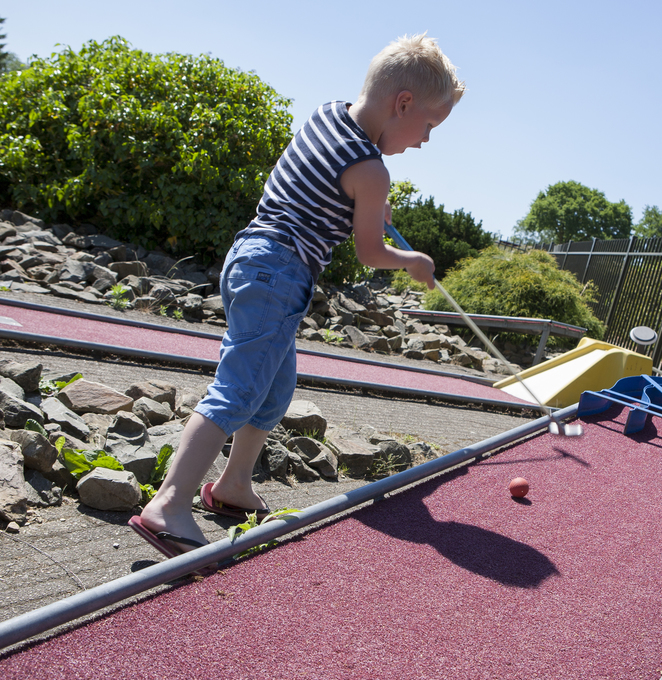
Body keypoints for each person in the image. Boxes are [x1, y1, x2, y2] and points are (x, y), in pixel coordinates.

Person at [129, 33, 465, 557]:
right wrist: (411, 261)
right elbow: (371, 252)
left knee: (273, 387)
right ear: (403, 104)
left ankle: (235, 484)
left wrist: (371, 205)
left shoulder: (328, 114)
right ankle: (169, 503)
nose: (424, 140)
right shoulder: (372, 170)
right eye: (428, 126)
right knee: (238, 389)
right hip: (281, 272)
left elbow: (321, 183)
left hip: (252, 257)